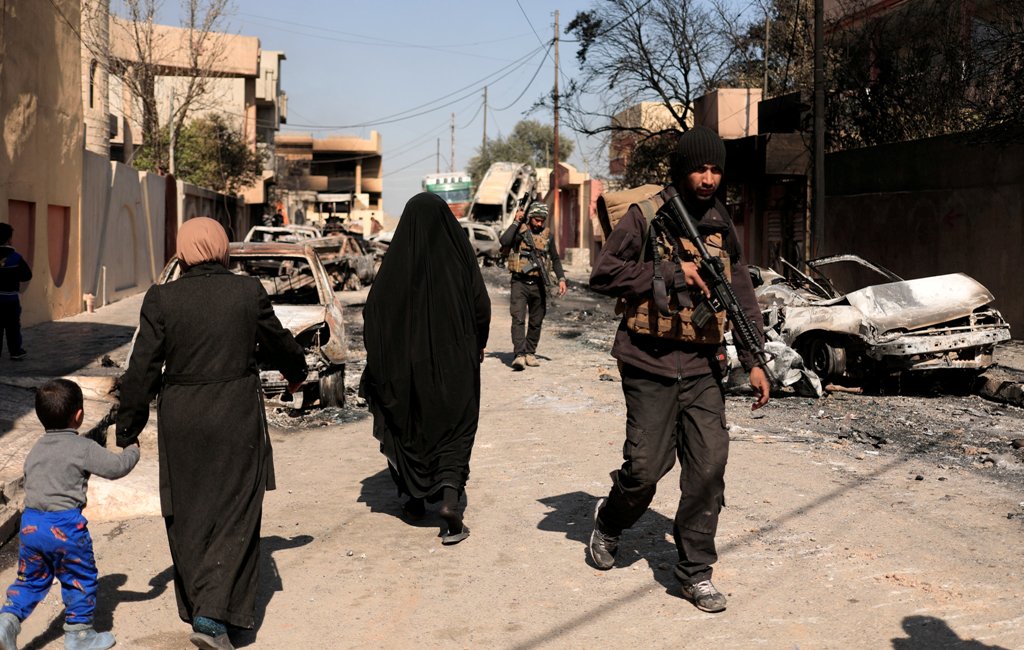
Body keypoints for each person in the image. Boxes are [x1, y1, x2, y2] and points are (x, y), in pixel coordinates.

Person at [587, 126, 771, 613]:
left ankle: (695, 572)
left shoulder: (720, 223)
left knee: (709, 468)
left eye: (716, 170)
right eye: (700, 168)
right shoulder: (646, 217)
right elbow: (603, 274)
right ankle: (610, 519)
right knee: (647, 469)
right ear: (682, 169)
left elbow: (741, 295)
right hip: (646, 361)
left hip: (702, 367)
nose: (708, 178)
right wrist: (666, 273)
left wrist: (755, 361)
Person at [116, 217, 307, 650]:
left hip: (182, 416)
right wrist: (296, 372)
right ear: (222, 247)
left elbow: (141, 366)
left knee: (188, 509)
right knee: (237, 507)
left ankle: (209, 605)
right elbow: (277, 341)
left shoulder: (162, 298)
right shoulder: (246, 292)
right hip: (235, 411)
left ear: (183, 250)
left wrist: (129, 426)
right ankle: (212, 616)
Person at [360, 193, 491, 545]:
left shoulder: (397, 263)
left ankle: (415, 500)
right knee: (454, 429)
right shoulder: (459, 255)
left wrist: (384, 357)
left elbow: (373, 313)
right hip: (455, 364)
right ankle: (449, 503)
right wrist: (478, 341)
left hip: (405, 370)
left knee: (409, 425)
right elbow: (481, 302)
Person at [0, 379, 140, 650]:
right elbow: (116, 468)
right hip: (65, 525)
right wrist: (133, 450)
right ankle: (79, 634)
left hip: (30, 524)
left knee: (30, 579)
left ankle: (7, 621)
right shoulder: (83, 447)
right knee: (80, 577)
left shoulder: (36, 449)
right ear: (79, 415)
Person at [498, 202, 567, 371]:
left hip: (538, 284)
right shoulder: (520, 231)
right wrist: (515, 222)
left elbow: (555, 258)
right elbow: (504, 240)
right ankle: (519, 355)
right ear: (530, 218)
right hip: (519, 282)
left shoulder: (547, 235)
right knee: (518, 319)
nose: (539, 224)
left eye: (542, 220)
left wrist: (562, 279)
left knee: (537, 320)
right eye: (536, 220)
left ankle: (530, 352)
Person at [0, 223, 32, 361]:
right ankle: (15, 351)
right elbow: (27, 276)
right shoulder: (15, 257)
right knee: (13, 327)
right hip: (11, 300)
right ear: (9, 239)